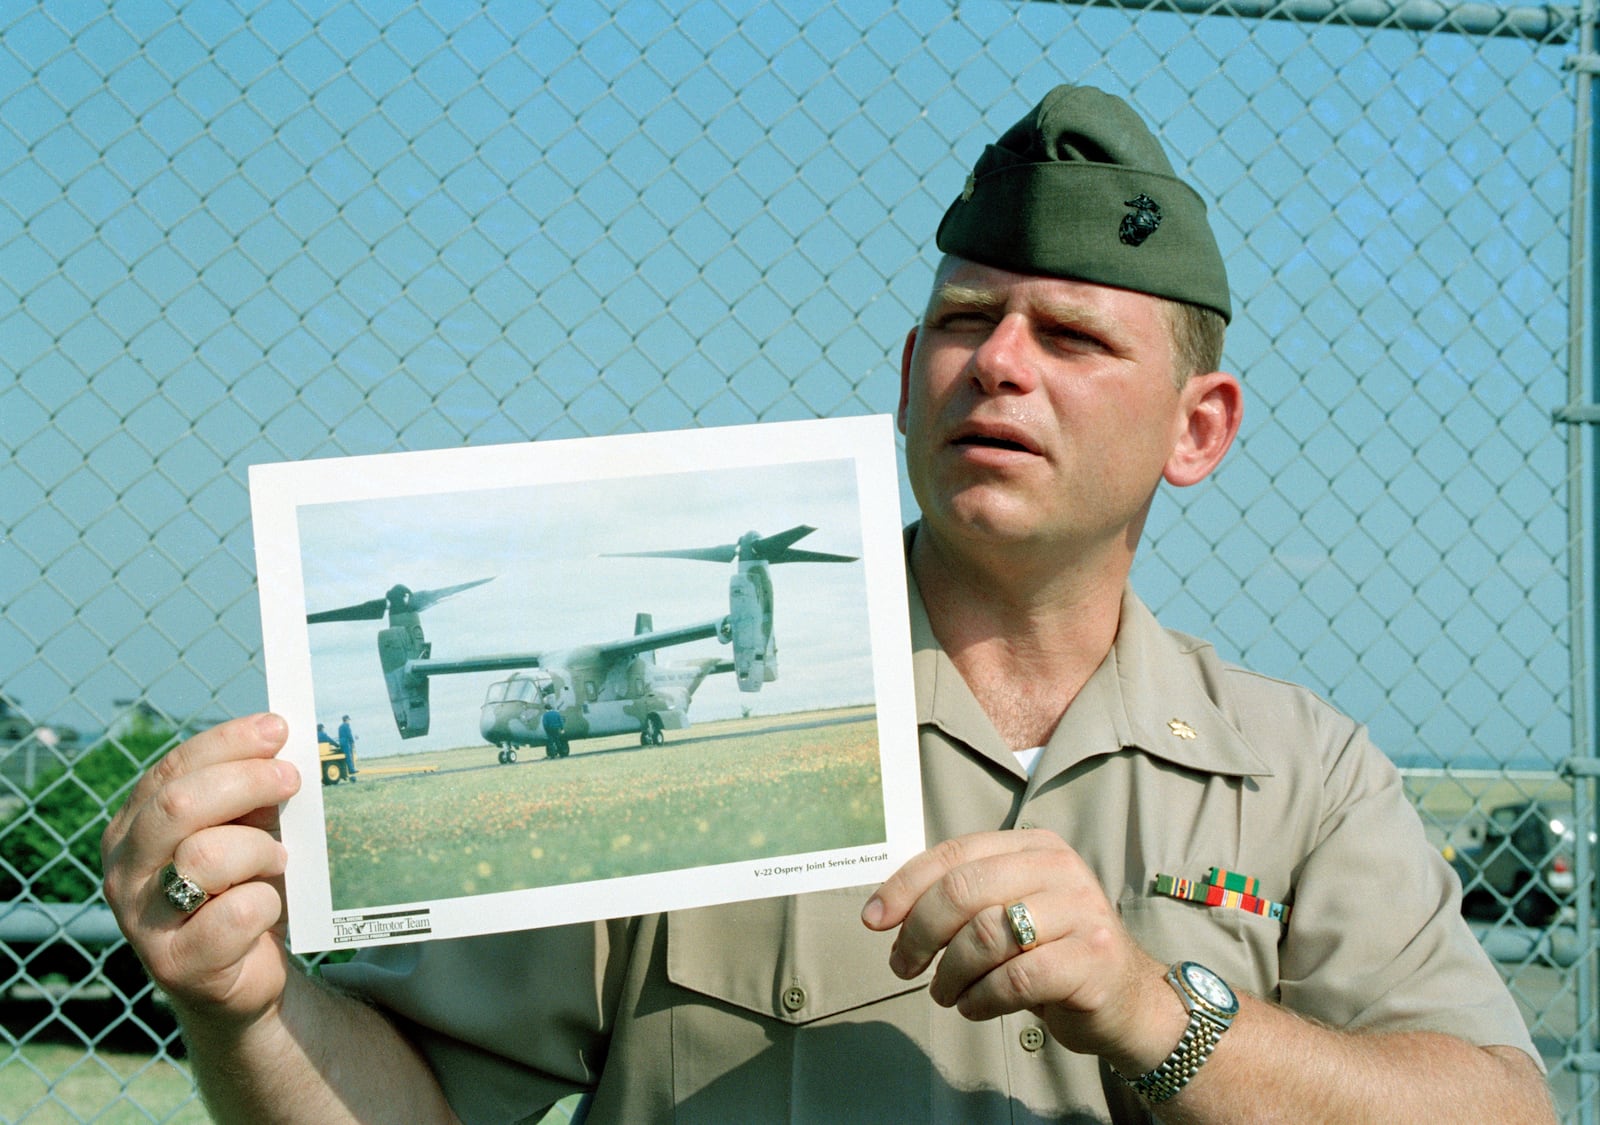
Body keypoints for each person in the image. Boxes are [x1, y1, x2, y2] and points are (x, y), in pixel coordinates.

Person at [100, 85, 1555, 1122]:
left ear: (1200, 428)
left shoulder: (1296, 774)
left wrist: (1153, 1017)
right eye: (968, 321)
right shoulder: (726, 719)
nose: (1001, 366)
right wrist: (244, 1007)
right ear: (907, 368)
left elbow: (1492, 1104)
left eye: (1073, 337)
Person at [337, 714, 358, 778]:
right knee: (349, 756)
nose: (349, 721)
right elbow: (349, 735)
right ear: (346, 720)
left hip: (341, 742)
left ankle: (350, 769)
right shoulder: (346, 726)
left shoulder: (340, 726)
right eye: (348, 719)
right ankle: (351, 769)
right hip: (346, 742)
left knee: (346, 756)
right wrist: (352, 742)